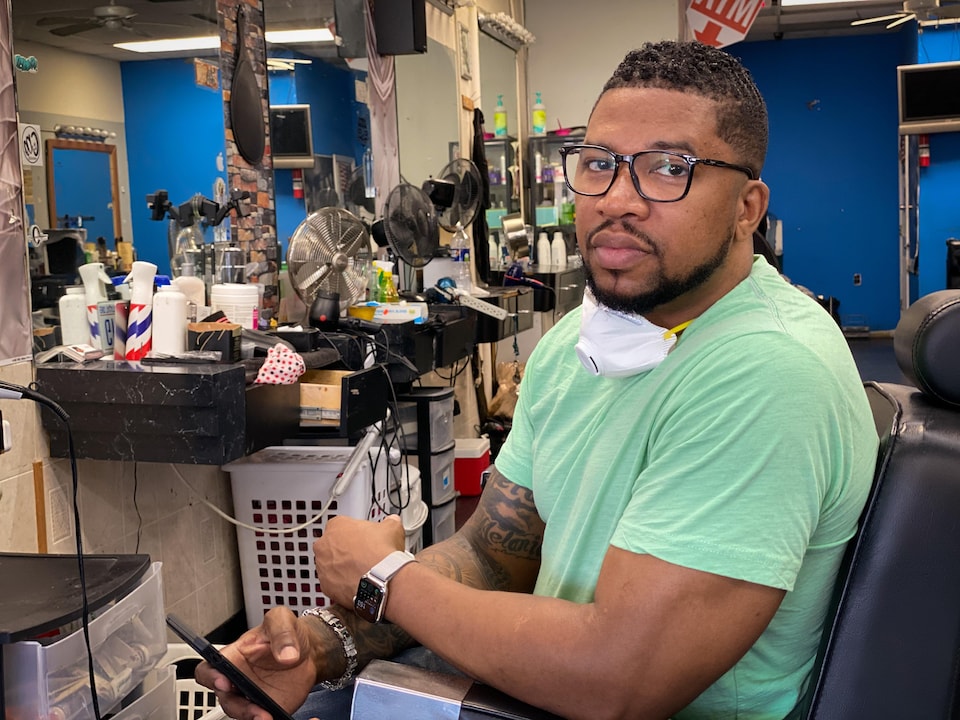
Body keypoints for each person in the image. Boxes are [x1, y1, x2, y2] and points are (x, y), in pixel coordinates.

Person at [197, 40, 878, 720]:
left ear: (747, 208)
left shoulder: (768, 369)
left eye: (670, 169)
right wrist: (319, 647)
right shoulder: (578, 345)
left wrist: (384, 579)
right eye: (600, 163)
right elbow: (492, 555)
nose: (619, 200)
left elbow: (618, 679)